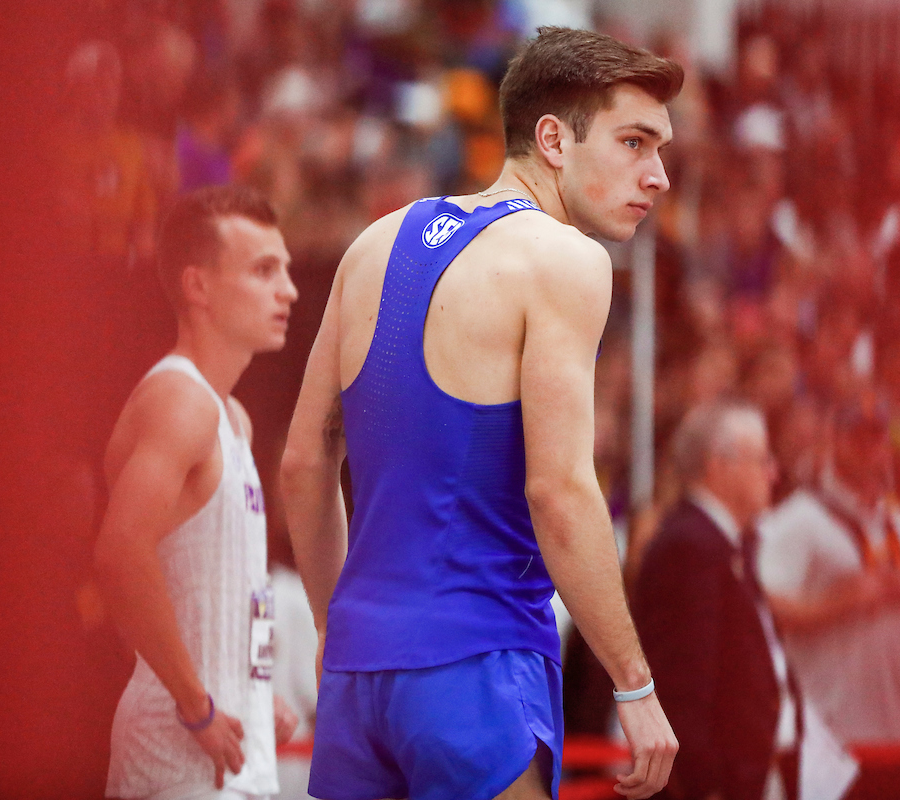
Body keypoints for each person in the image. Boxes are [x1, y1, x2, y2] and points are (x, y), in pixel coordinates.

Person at [281, 26, 682, 800]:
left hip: (358, 676)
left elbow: (304, 463)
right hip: (475, 665)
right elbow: (559, 491)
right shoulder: (565, 259)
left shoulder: (373, 245)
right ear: (554, 141)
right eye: (634, 142)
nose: (658, 175)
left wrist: (338, 631)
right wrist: (633, 683)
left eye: (660, 148)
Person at [95, 185, 301, 799]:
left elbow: (231, 589)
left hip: (232, 754)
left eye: (286, 269)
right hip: (179, 761)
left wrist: (254, 688)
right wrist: (195, 704)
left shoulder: (233, 417)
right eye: (264, 270)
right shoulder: (179, 401)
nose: (288, 290)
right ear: (198, 287)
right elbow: (119, 553)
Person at [756, 391, 900, 746]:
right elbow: (761, 610)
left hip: (895, 736)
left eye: (878, 436)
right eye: (858, 437)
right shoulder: (799, 519)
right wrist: (842, 602)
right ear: (833, 441)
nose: (870, 448)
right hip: (823, 740)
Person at [633, 404, 800, 800]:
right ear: (719, 466)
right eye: (762, 460)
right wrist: (704, 784)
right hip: (720, 782)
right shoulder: (691, 546)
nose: (774, 473)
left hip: (752, 772)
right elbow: (684, 684)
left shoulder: (726, 543)